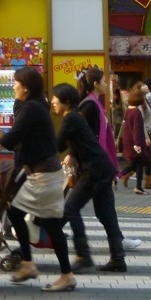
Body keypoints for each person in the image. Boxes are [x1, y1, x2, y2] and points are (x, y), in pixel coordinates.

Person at [0, 66, 75, 292]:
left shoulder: (33, 109)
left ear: (26, 88)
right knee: (17, 213)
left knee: (51, 225)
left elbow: (11, 138)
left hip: (45, 175)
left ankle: (66, 275)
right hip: (40, 173)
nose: (13, 85)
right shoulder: (31, 106)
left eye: (17, 82)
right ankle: (28, 263)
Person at [53, 83, 127, 273]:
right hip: (102, 168)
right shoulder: (75, 117)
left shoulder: (71, 118)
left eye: (55, 98)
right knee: (106, 214)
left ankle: (83, 255)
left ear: (66, 101)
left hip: (94, 170)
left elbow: (57, 145)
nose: (52, 101)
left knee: (70, 208)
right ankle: (118, 259)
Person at [120, 84, 151, 195]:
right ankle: (137, 186)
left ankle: (118, 177)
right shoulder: (137, 112)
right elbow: (137, 129)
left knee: (135, 163)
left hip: (128, 141)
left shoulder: (128, 110)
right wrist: (138, 144)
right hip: (136, 142)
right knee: (139, 163)